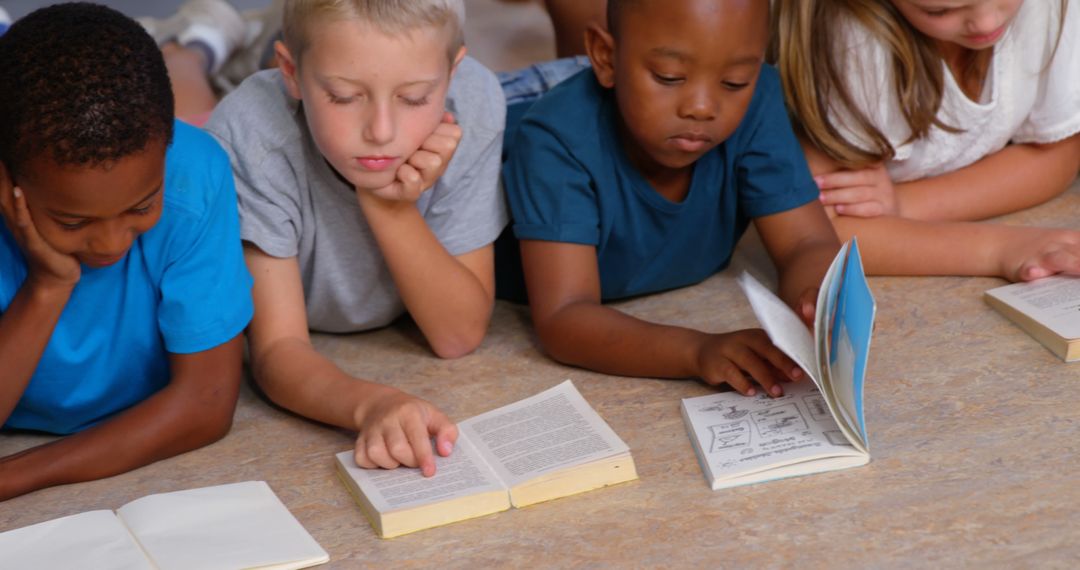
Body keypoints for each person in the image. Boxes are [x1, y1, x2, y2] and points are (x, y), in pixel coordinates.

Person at [204, 0, 507, 477]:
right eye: (344, 96)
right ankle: (194, 44)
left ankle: (238, 38)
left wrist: (388, 205)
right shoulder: (250, 131)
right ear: (290, 72)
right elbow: (276, 350)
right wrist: (370, 404)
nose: (381, 133)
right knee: (185, 125)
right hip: (239, 118)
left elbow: (457, 334)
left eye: (413, 98)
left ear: (452, 74)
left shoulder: (475, 101)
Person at [497, 0, 840, 397]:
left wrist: (816, 306)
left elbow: (806, 242)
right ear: (606, 56)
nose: (701, 107)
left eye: (733, 82)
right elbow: (564, 316)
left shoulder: (758, 99)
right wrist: (695, 350)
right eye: (670, 76)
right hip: (497, 115)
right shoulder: (555, 139)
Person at [0, 4, 253, 500]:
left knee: (194, 90)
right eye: (73, 221)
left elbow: (206, 402)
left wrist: (14, 475)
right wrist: (48, 286)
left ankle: (192, 45)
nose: (111, 244)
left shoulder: (194, 176)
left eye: (142, 205)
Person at [773, 0, 1080, 281]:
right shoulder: (854, 40)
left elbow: (1060, 155)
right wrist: (998, 248)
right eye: (939, 11)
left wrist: (904, 203)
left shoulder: (1049, 6)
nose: (987, 23)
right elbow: (821, 231)